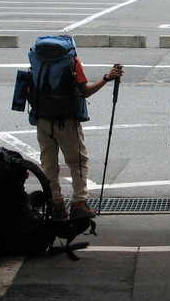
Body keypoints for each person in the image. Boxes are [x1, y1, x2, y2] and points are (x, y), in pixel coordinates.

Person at [36, 60, 124, 220]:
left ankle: (57, 206)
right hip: (67, 121)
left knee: (48, 164)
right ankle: (78, 204)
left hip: (42, 119)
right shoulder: (72, 61)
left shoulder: (38, 61)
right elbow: (85, 91)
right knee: (78, 161)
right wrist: (106, 78)